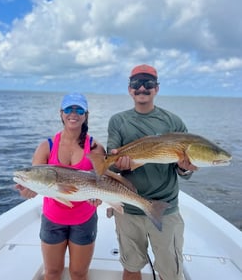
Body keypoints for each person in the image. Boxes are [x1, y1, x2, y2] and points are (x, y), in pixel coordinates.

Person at [107, 64, 197, 280]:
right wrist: (117, 163)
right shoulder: (118, 121)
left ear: (157, 88)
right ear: (129, 89)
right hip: (129, 209)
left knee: (171, 272)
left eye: (148, 83)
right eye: (136, 83)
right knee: (131, 267)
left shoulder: (173, 122)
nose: (142, 88)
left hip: (166, 209)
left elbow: (185, 170)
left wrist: (185, 169)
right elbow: (111, 162)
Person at [16, 92, 105, 280]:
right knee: (52, 272)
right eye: (68, 109)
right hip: (53, 219)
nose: (73, 113)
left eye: (79, 109)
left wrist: (100, 197)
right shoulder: (46, 147)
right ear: (61, 113)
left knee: (79, 273)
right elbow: (35, 183)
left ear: (86, 115)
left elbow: (102, 182)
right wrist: (28, 191)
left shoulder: (96, 148)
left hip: (84, 219)